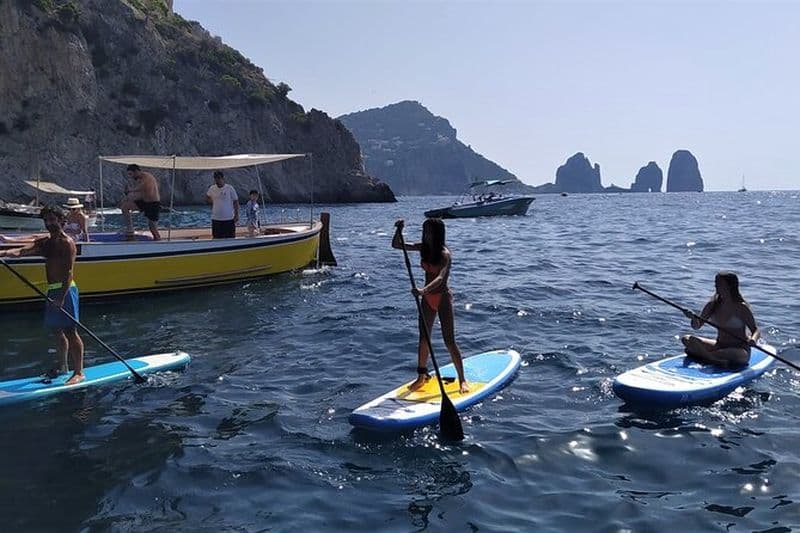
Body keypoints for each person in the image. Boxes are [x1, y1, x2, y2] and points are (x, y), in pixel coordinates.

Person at [0, 205, 85, 385]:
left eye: (53, 220)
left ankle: (79, 372)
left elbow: (69, 273)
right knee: (56, 330)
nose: (49, 223)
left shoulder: (67, 243)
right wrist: (3, 253)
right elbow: (21, 251)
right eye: (46, 220)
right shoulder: (46, 242)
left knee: (70, 331)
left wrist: (61, 298)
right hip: (52, 289)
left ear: (62, 221)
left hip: (66, 290)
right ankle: (63, 367)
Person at [392, 218, 469, 394]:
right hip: (426, 298)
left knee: (449, 341)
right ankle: (422, 376)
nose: (425, 235)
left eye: (429, 232)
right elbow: (397, 245)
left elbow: (441, 278)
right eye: (424, 231)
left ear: (437, 234)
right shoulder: (423, 249)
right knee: (423, 338)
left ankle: (462, 380)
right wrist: (399, 229)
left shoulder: (445, 254)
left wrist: (423, 290)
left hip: (442, 298)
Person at [681, 271, 760, 368]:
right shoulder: (712, 305)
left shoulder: (741, 307)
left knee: (739, 355)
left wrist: (753, 340)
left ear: (730, 286)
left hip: (738, 348)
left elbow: (755, 330)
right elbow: (697, 326)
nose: (716, 286)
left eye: (719, 283)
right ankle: (712, 358)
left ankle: (703, 355)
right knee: (687, 339)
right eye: (716, 283)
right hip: (719, 345)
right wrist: (693, 318)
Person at [120, 164, 161, 241]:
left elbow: (143, 188)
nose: (131, 176)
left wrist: (131, 190)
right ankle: (130, 230)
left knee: (152, 228)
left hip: (153, 203)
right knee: (125, 206)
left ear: (136, 171)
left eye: (131, 174)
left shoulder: (147, 177)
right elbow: (140, 194)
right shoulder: (139, 179)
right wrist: (128, 197)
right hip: (144, 202)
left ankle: (158, 241)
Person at [206, 170, 239, 239]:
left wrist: (236, 215)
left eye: (219, 178)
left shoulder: (229, 188)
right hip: (216, 219)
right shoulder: (212, 188)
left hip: (228, 219)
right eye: (216, 179)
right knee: (216, 238)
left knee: (230, 238)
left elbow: (235, 201)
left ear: (223, 178)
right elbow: (207, 196)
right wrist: (212, 202)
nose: (217, 181)